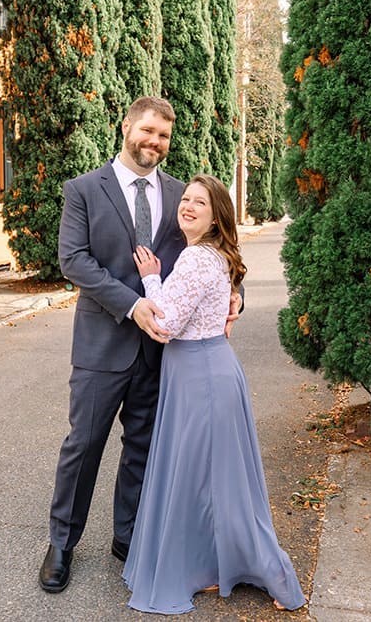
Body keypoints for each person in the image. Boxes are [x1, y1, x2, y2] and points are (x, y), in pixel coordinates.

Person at [123, 174, 305, 613]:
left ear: (216, 214)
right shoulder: (207, 254)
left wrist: (151, 279)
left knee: (220, 483)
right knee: (206, 478)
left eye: (199, 202)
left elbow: (165, 325)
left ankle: (277, 577)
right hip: (203, 370)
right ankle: (208, 565)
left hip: (200, 374)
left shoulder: (196, 259)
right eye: (184, 199)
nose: (187, 206)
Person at [39, 96, 189, 594]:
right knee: (83, 446)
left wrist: (233, 291)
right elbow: (74, 260)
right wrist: (131, 303)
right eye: (147, 130)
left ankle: (128, 536)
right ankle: (62, 542)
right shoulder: (83, 189)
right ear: (125, 126)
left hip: (157, 349)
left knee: (142, 447)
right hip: (103, 344)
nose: (154, 142)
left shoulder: (179, 193)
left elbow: (207, 252)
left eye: (163, 135)